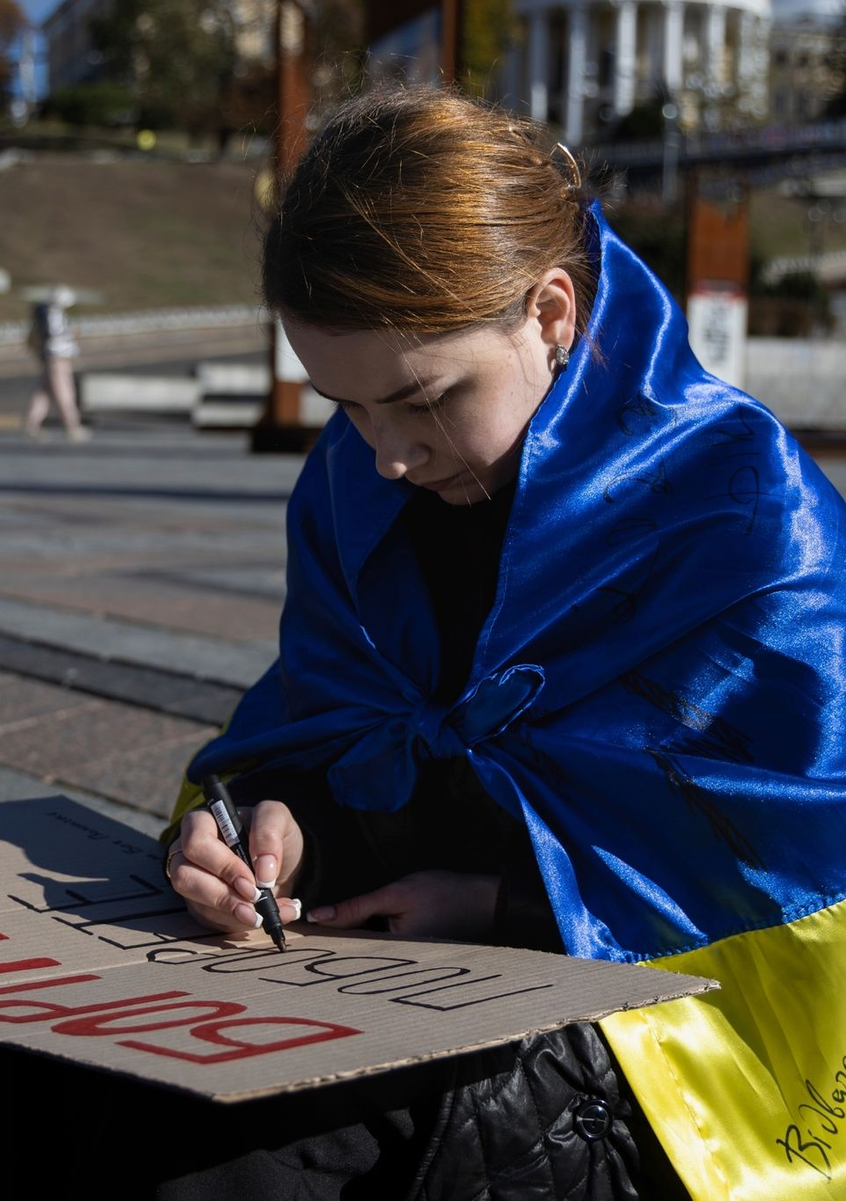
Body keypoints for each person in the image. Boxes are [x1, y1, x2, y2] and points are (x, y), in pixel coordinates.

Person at [163, 87, 846, 1200]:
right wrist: (281, 828)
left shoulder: (741, 514)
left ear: (553, 313)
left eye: (420, 400)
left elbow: (802, 862)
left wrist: (502, 906)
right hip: (399, 958)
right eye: (346, 406)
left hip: (682, 1045)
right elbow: (334, 723)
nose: (383, 455)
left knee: (239, 1151)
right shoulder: (353, 485)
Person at [24, 288, 90, 442]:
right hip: (58, 357)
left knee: (43, 393)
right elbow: (55, 333)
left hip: (52, 357)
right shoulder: (54, 314)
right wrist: (71, 332)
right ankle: (72, 426)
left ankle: (31, 425)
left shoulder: (48, 312)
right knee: (64, 392)